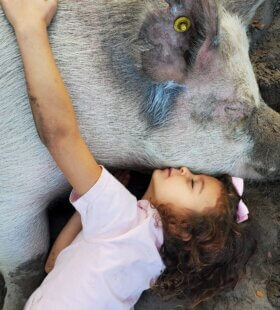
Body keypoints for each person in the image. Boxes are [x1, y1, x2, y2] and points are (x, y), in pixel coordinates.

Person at [0, 0, 256, 309]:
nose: (186, 170)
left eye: (192, 184)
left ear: (182, 231)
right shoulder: (149, 272)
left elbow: (60, 136)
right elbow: (55, 265)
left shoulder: (121, 216)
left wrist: (31, 28)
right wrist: (88, 211)